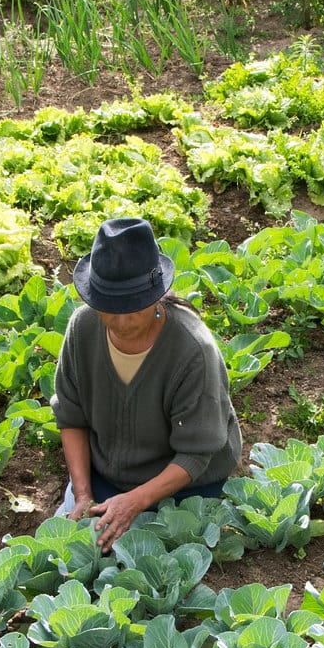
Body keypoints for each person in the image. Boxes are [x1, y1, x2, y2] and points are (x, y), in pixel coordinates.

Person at [52, 217, 243, 550]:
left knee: (144, 559)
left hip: (186, 486)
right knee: (70, 547)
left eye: (132, 308)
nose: (121, 322)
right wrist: (83, 493)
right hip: (106, 478)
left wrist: (135, 501)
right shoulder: (82, 329)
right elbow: (72, 416)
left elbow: (196, 455)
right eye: (109, 308)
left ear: (157, 296)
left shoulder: (192, 349)